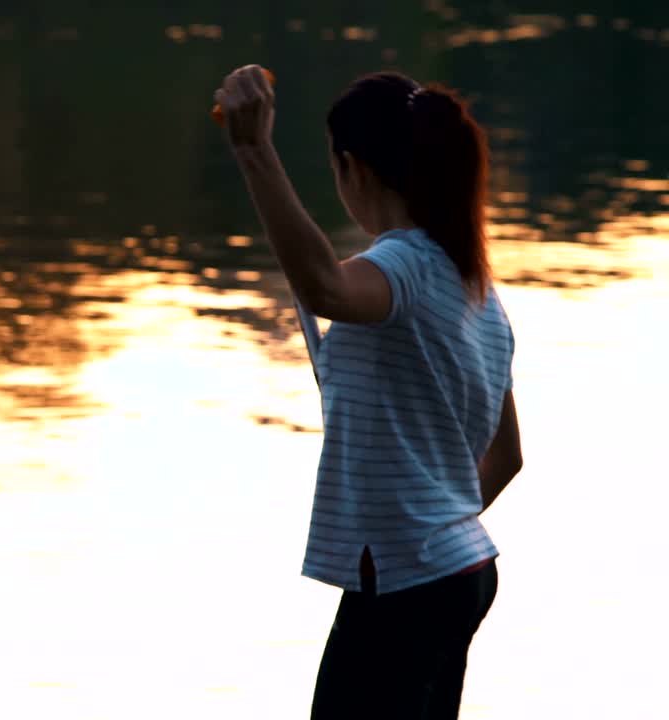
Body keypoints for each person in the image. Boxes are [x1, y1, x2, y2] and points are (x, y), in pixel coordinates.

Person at [213, 68, 524, 719]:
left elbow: (326, 286)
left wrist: (254, 151)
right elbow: (507, 457)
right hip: (459, 570)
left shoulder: (404, 265)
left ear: (351, 167)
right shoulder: (475, 288)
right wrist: (440, 524)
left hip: (410, 579)